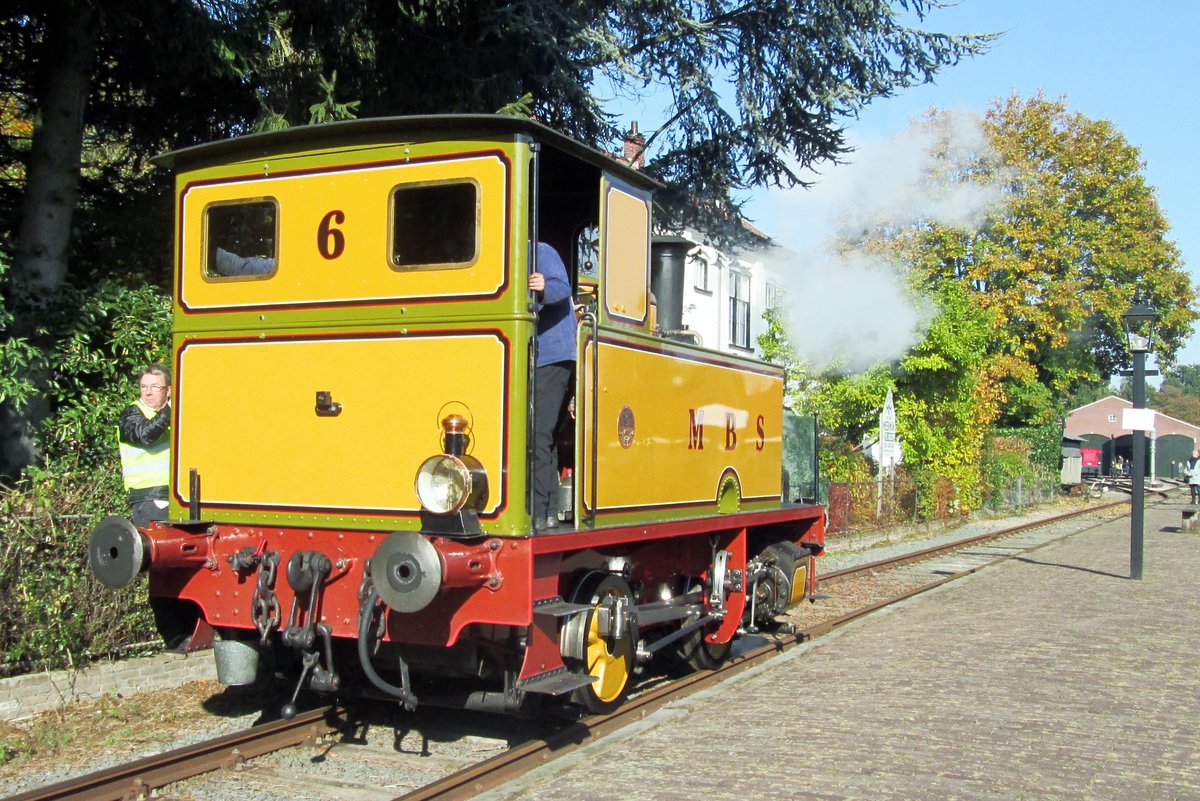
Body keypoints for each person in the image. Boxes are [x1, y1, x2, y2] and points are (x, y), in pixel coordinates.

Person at [528, 242, 575, 531]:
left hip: (551, 353)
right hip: (543, 354)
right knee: (542, 435)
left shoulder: (540, 250)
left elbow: (562, 287)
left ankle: (536, 509)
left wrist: (543, 286)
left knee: (536, 433)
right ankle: (547, 510)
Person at [118, 364, 172, 527]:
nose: (148, 392)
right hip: (148, 497)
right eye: (144, 387)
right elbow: (144, 434)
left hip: (175, 496)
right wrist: (169, 410)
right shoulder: (131, 414)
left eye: (154, 387)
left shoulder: (174, 414)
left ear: (168, 390)